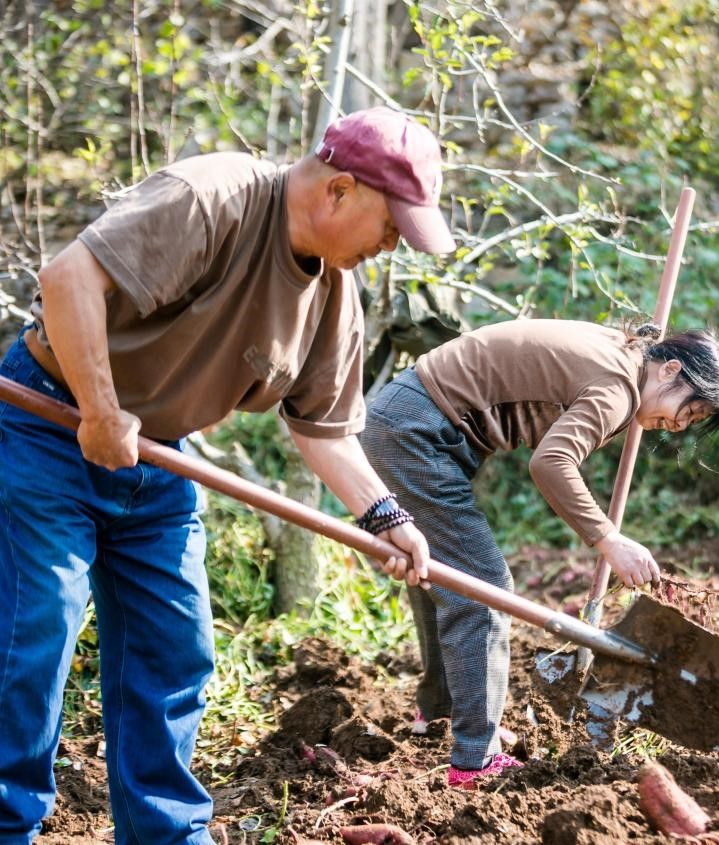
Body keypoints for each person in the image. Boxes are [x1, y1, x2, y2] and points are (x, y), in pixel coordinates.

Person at [0, 107, 445, 843]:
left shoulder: (334, 299)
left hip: (159, 458)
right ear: (339, 190)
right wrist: (102, 412)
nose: (391, 245)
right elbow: (67, 276)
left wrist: (386, 517)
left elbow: (324, 432)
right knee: (34, 636)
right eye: (391, 226)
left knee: (175, 649)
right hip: (51, 421)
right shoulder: (213, 196)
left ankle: (166, 834)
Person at [360, 319, 719, 788]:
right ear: (670, 370)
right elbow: (552, 462)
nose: (680, 426)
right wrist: (608, 539)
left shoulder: (620, 356)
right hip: (416, 432)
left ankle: (442, 710)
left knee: (441, 573)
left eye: (693, 423)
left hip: (405, 417)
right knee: (483, 590)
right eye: (690, 409)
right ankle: (474, 762)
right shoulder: (619, 385)